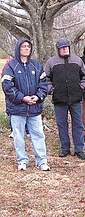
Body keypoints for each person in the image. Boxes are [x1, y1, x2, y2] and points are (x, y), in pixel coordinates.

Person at [1, 38, 50, 171]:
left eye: (28, 46)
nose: (26, 48)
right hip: (17, 108)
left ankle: (42, 161)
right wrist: (23, 98)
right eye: (23, 46)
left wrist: (38, 97)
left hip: (34, 108)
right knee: (18, 136)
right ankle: (22, 160)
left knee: (38, 135)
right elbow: (7, 86)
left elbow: (44, 84)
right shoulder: (11, 66)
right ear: (18, 48)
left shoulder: (36, 66)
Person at [45, 38, 85, 160]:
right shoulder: (51, 62)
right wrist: (51, 90)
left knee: (78, 124)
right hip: (59, 99)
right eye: (62, 48)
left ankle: (79, 149)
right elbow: (46, 79)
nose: (64, 49)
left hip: (76, 98)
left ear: (69, 47)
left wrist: (81, 88)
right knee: (62, 124)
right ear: (58, 49)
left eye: (66, 47)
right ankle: (65, 148)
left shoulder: (77, 60)